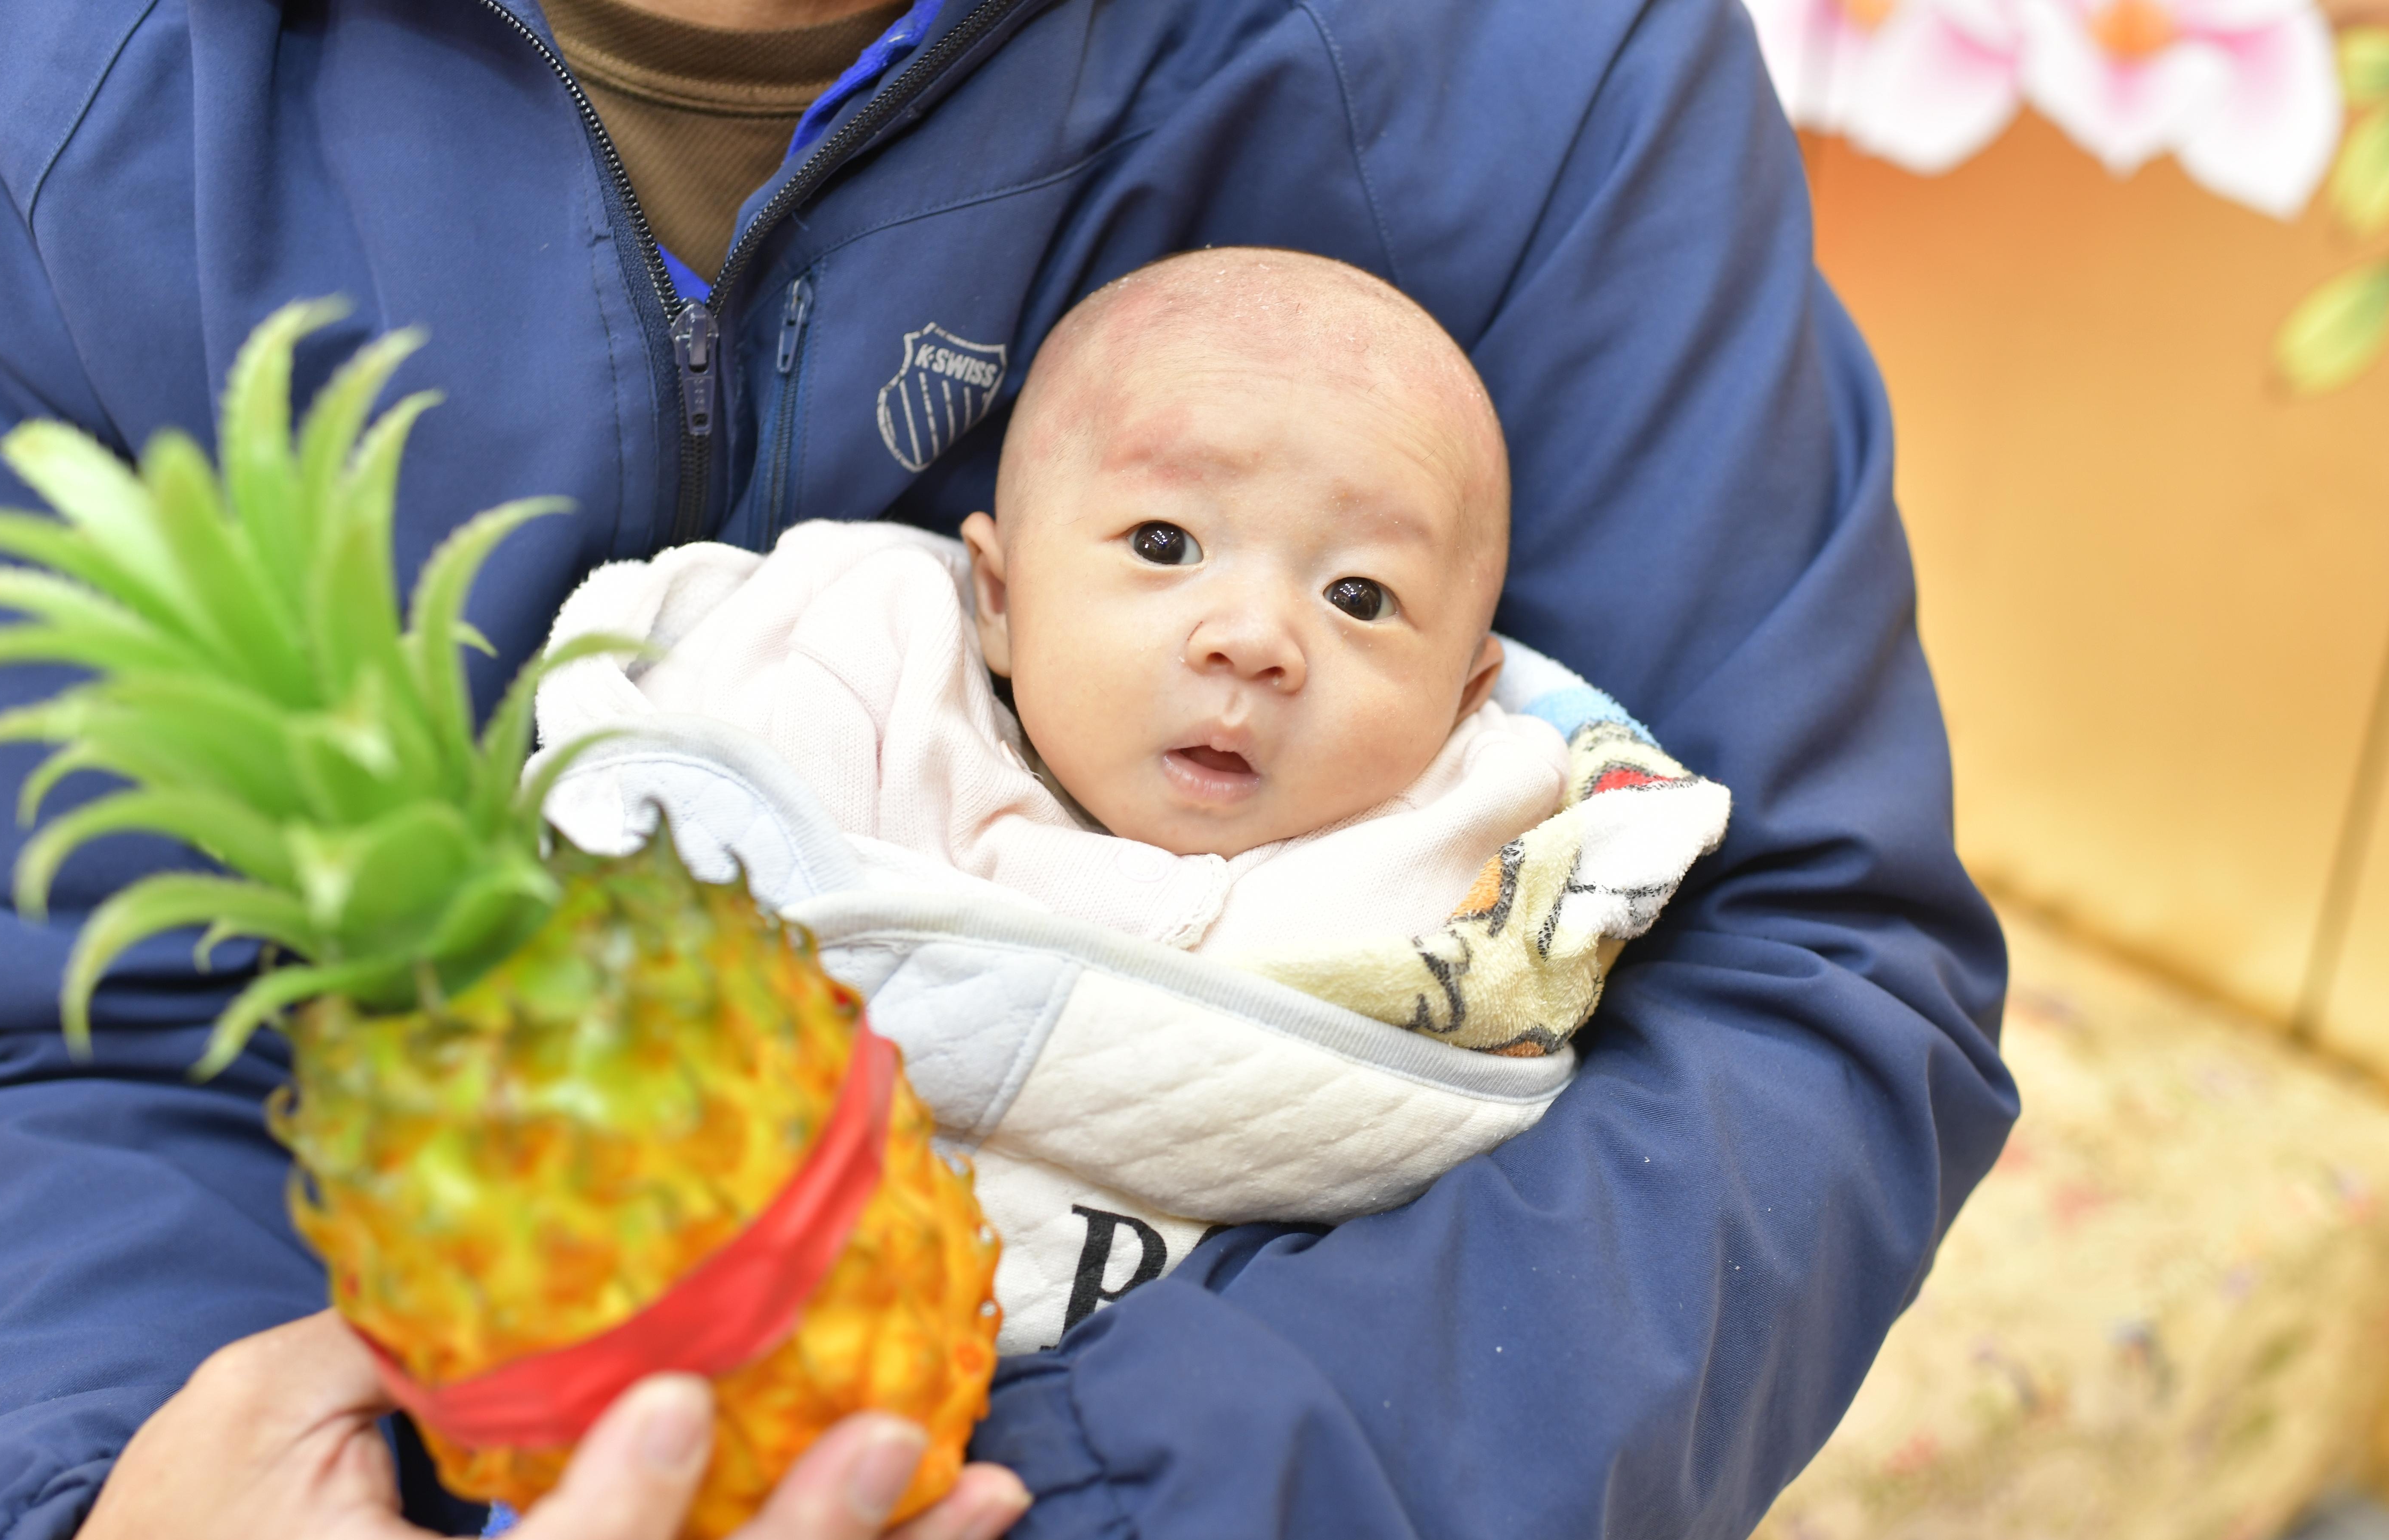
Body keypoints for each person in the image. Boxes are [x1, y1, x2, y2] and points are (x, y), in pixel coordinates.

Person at [0, 2, 2019, 1540]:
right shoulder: (12, 95)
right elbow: (4, 1033)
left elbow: (1807, 986)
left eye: (1356, 596)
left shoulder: (1534, 63)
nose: (1255, 645)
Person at [533, 245, 1733, 1355]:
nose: (1256, 641)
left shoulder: (1468, 837)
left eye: (1360, 597)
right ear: (997, 598)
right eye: (1164, 542)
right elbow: (665, 871)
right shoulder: (877, 674)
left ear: (1467, 693)